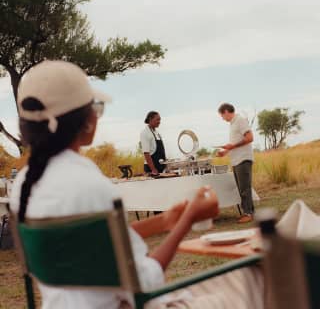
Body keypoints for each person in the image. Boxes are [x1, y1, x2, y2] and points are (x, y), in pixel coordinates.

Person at [10, 61, 263, 309]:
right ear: (86, 120)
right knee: (255, 277)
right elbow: (147, 279)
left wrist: (163, 222)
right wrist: (188, 219)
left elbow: (92, 244)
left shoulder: (24, 184)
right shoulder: (89, 185)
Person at [217, 103, 255, 223]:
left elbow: (250, 138)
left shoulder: (240, 120)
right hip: (236, 160)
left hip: (243, 159)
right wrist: (225, 151)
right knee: (241, 188)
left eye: (222, 116)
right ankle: (248, 212)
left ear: (226, 111)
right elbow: (235, 144)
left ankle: (248, 214)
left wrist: (232, 145)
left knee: (245, 189)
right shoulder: (233, 124)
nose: (222, 119)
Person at [140, 111, 166, 176]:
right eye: (157, 119)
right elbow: (146, 153)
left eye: (160, 119)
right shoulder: (145, 133)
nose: (159, 122)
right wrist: (153, 169)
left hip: (160, 167)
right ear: (150, 119)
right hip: (151, 169)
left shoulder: (157, 133)